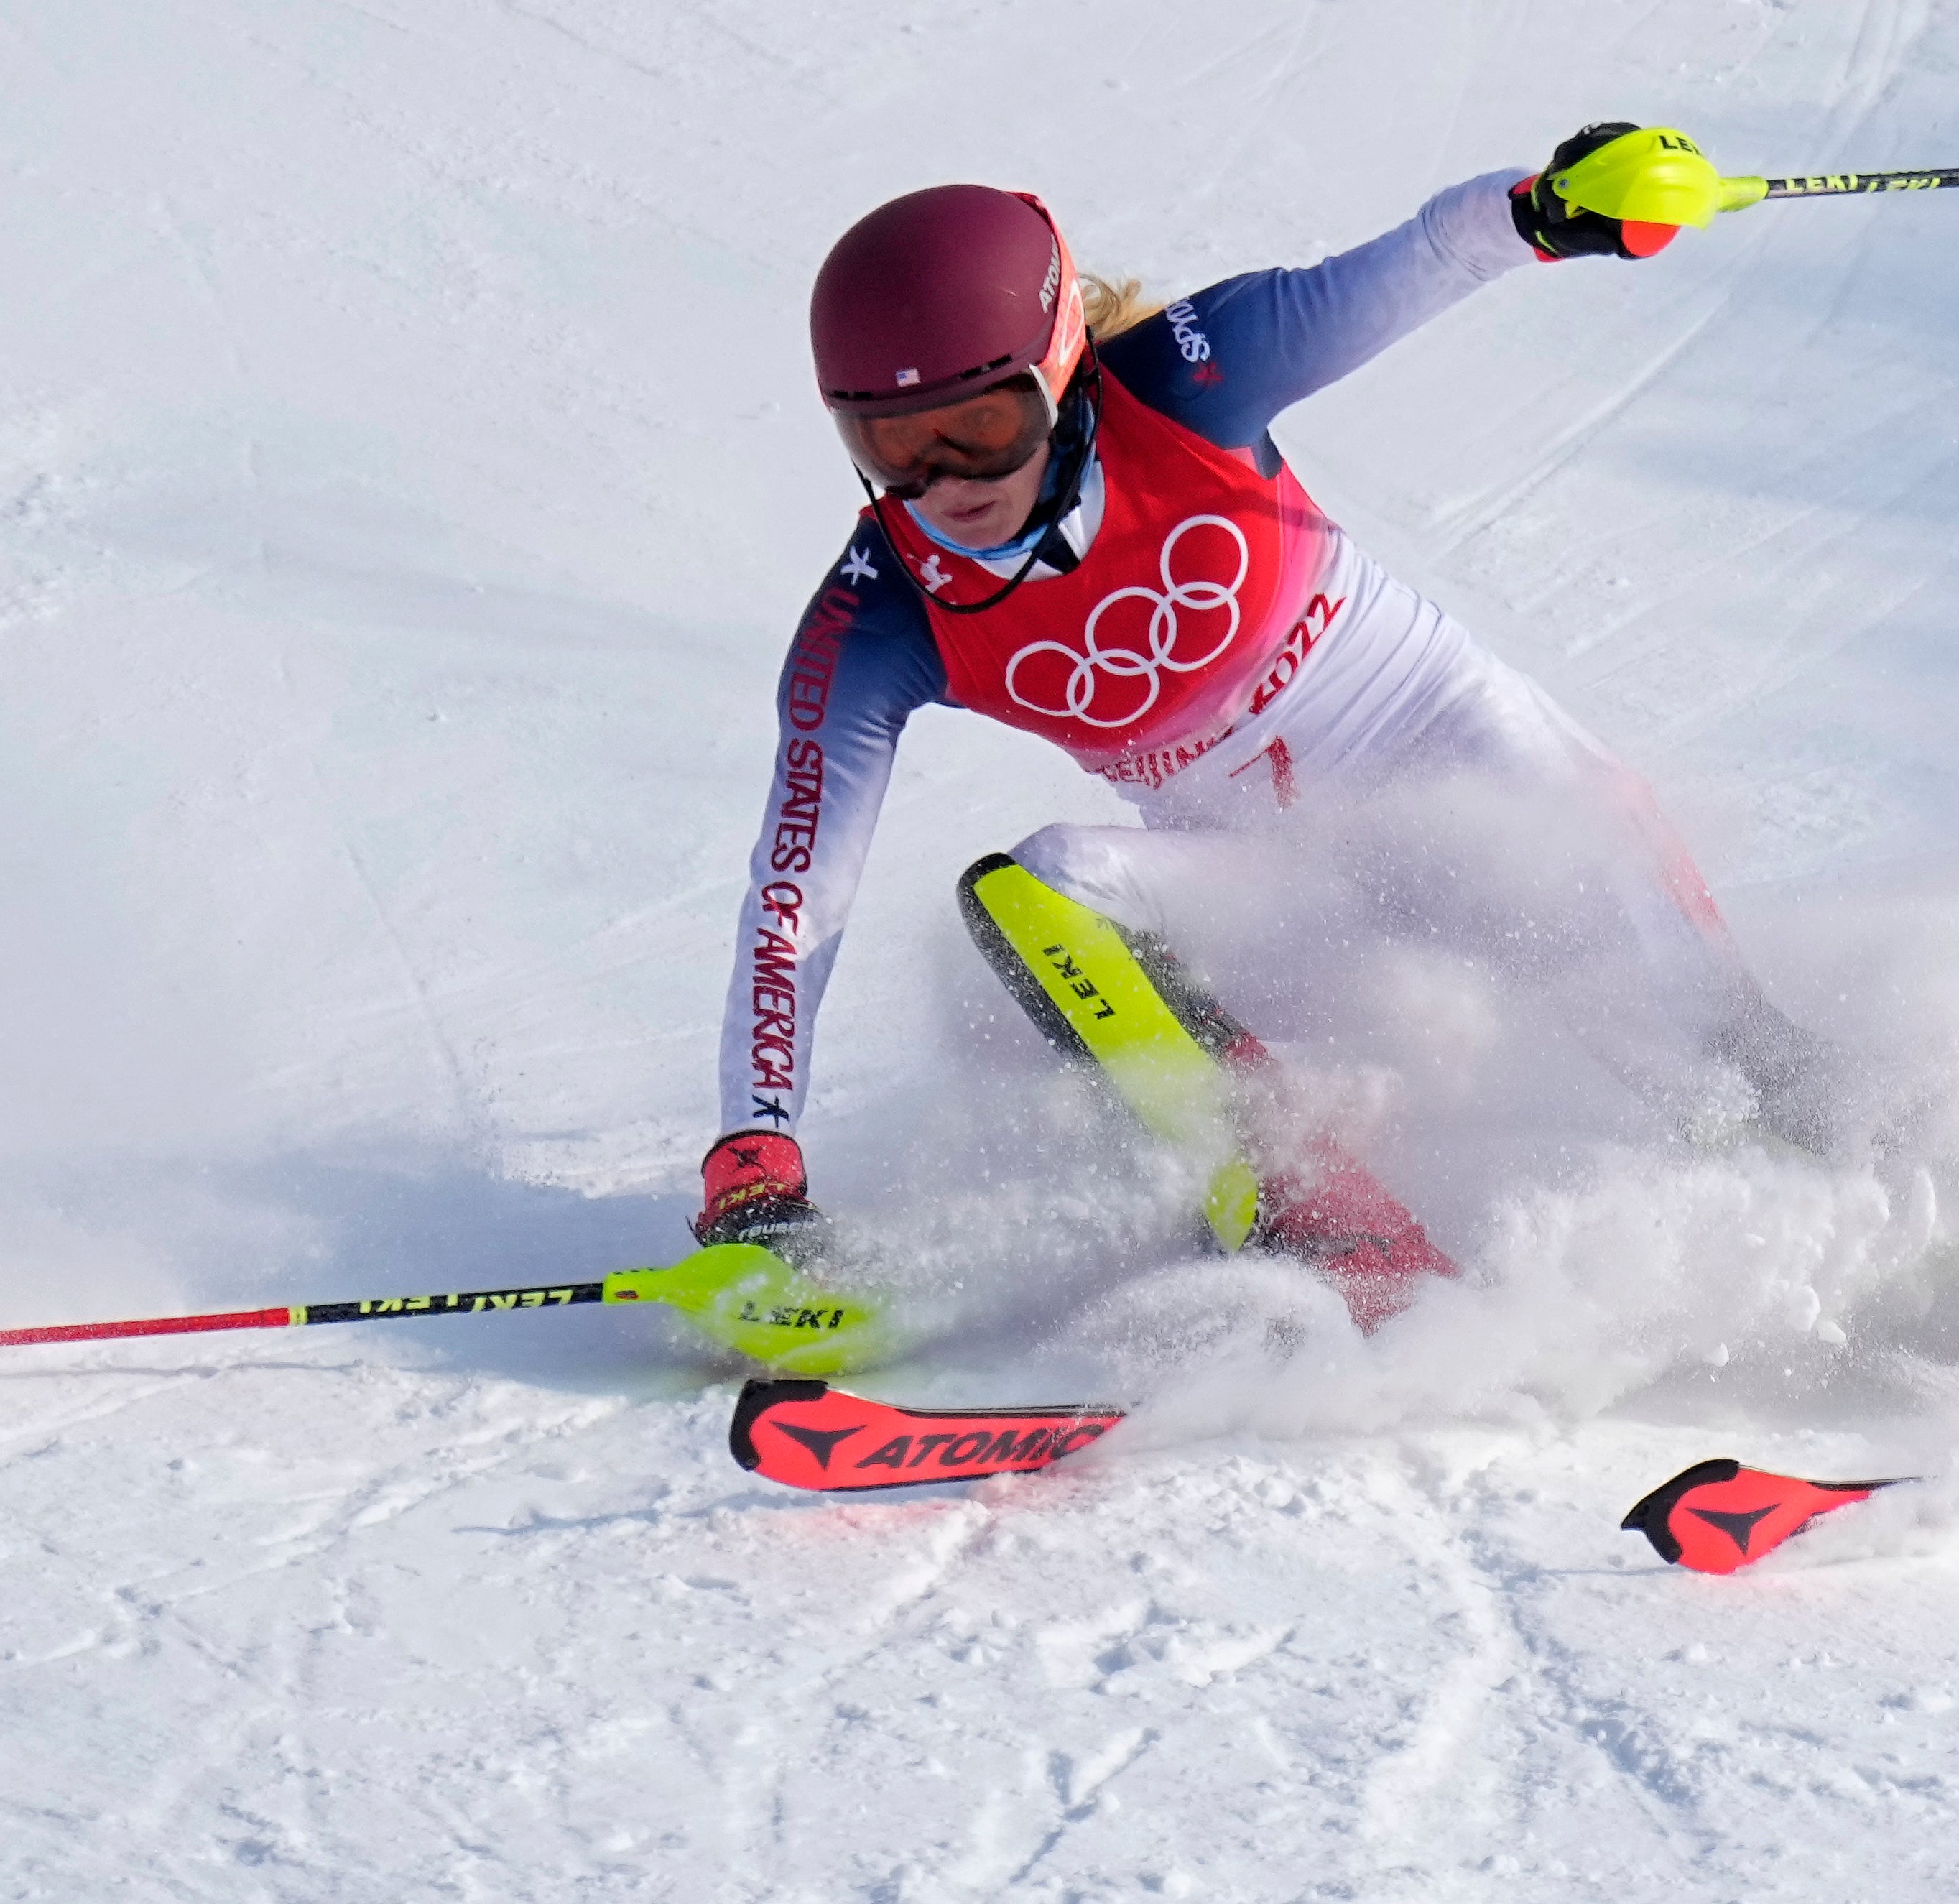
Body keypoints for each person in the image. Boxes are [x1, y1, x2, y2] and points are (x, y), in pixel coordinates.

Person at [691, 124, 1831, 1336]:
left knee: (1695, 1045)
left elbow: (1426, 256)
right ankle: (1323, 1219)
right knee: (1040, 892)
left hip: (1469, 784)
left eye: (980, 427)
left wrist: (1552, 209)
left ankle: (1910, 1187)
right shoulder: (876, 618)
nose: (944, 482)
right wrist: (753, 1159)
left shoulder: (1186, 384)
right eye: (891, 446)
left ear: (1059, 367)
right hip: (1292, 899)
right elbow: (795, 900)